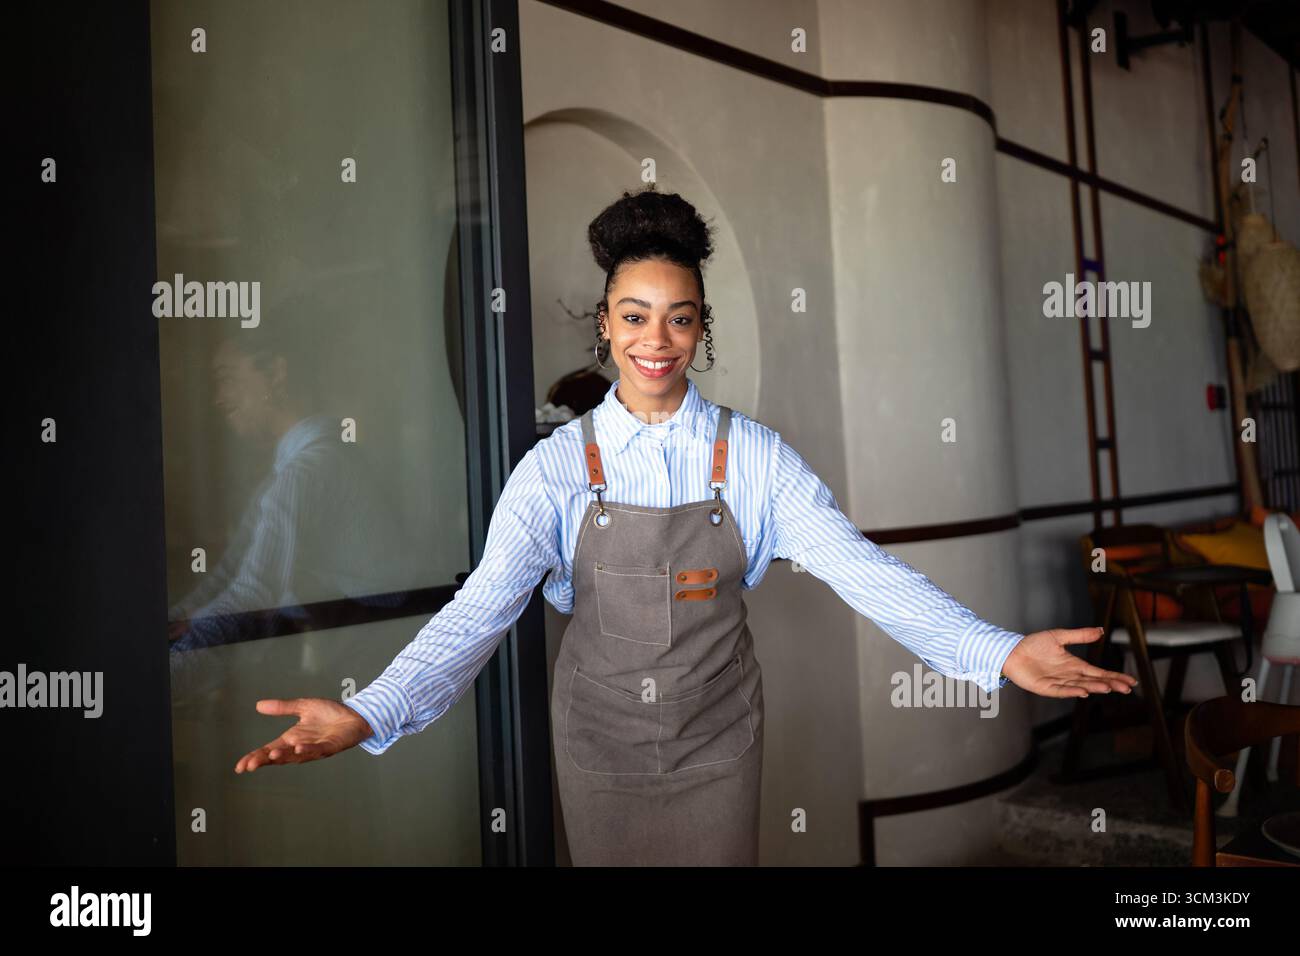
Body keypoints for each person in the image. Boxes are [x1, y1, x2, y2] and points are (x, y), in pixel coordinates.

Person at [233, 186, 1136, 865]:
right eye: (634, 315)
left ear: (701, 329)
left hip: (717, 744)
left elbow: (868, 574)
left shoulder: (756, 459)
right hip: (598, 749)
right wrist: (368, 711)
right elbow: (481, 612)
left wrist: (998, 653)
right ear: (606, 325)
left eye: (678, 317)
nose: (654, 338)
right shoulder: (554, 468)